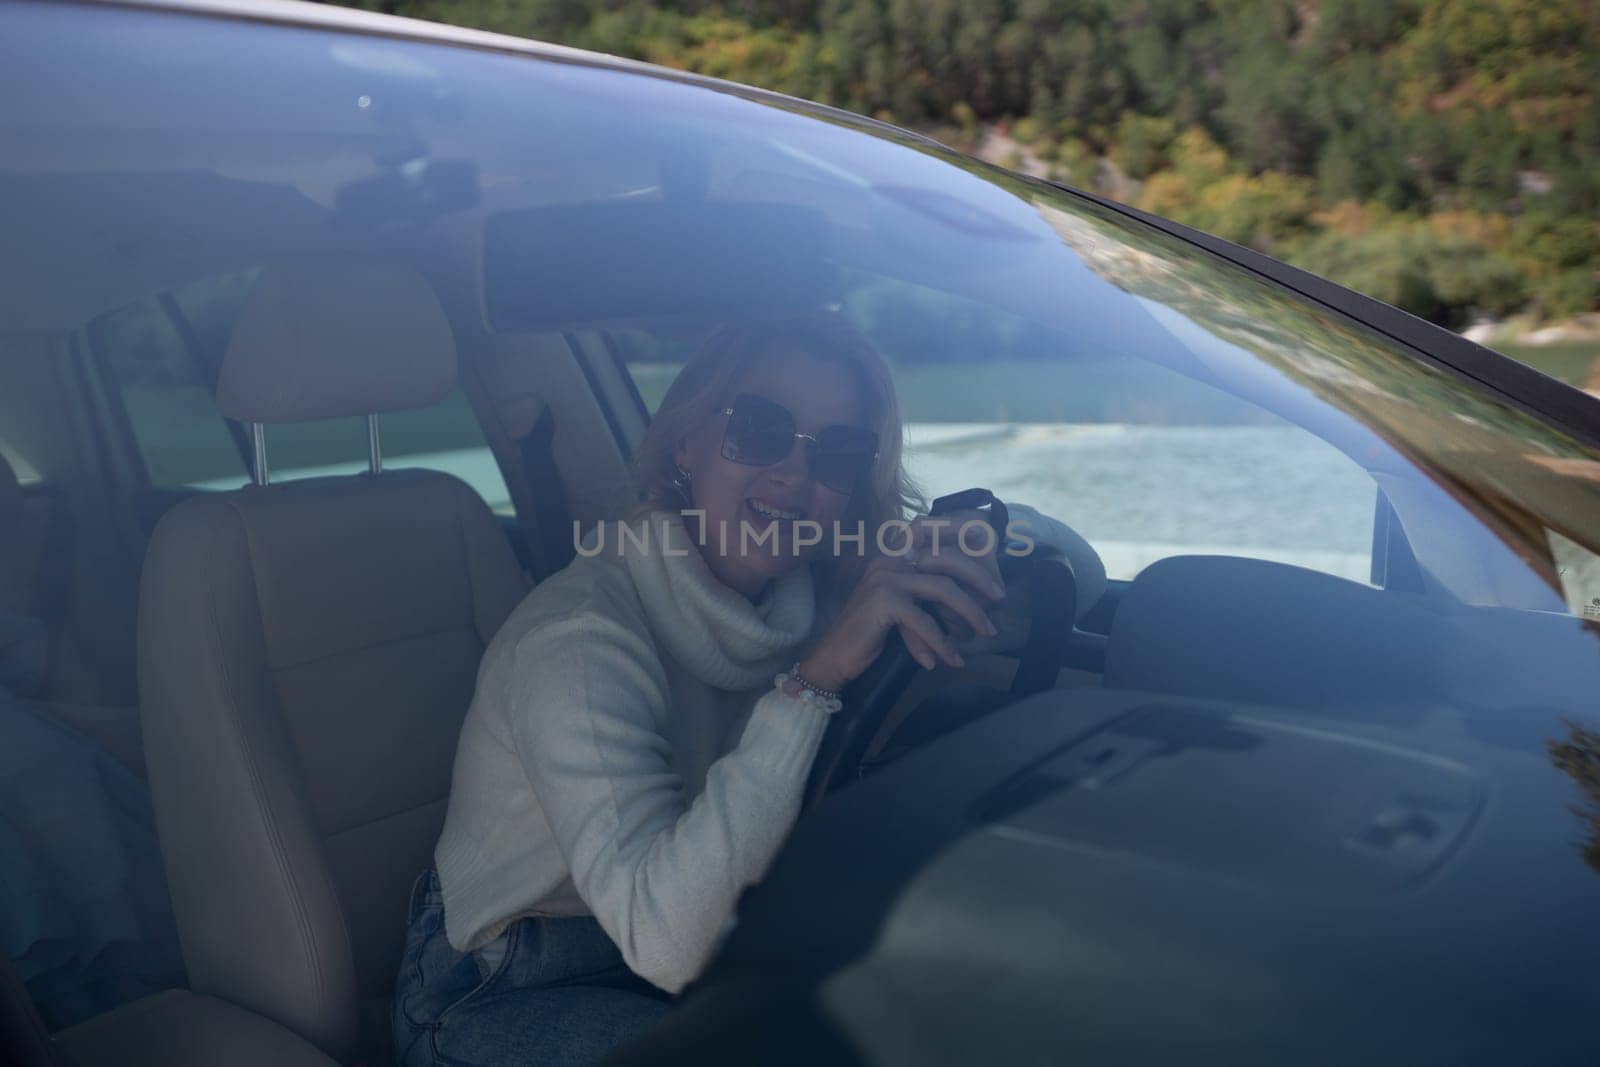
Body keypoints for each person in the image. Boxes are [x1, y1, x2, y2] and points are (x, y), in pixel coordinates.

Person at [393, 311, 1079, 1066]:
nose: (795, 473)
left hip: (716, 939)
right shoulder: (577, 639)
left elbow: (1063, 569)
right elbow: (668, 943)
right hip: (503, 983)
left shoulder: (818, 594)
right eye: (760, 429)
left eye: (839, 453)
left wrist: (988, 534)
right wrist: (812, 686)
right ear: (684, 442)